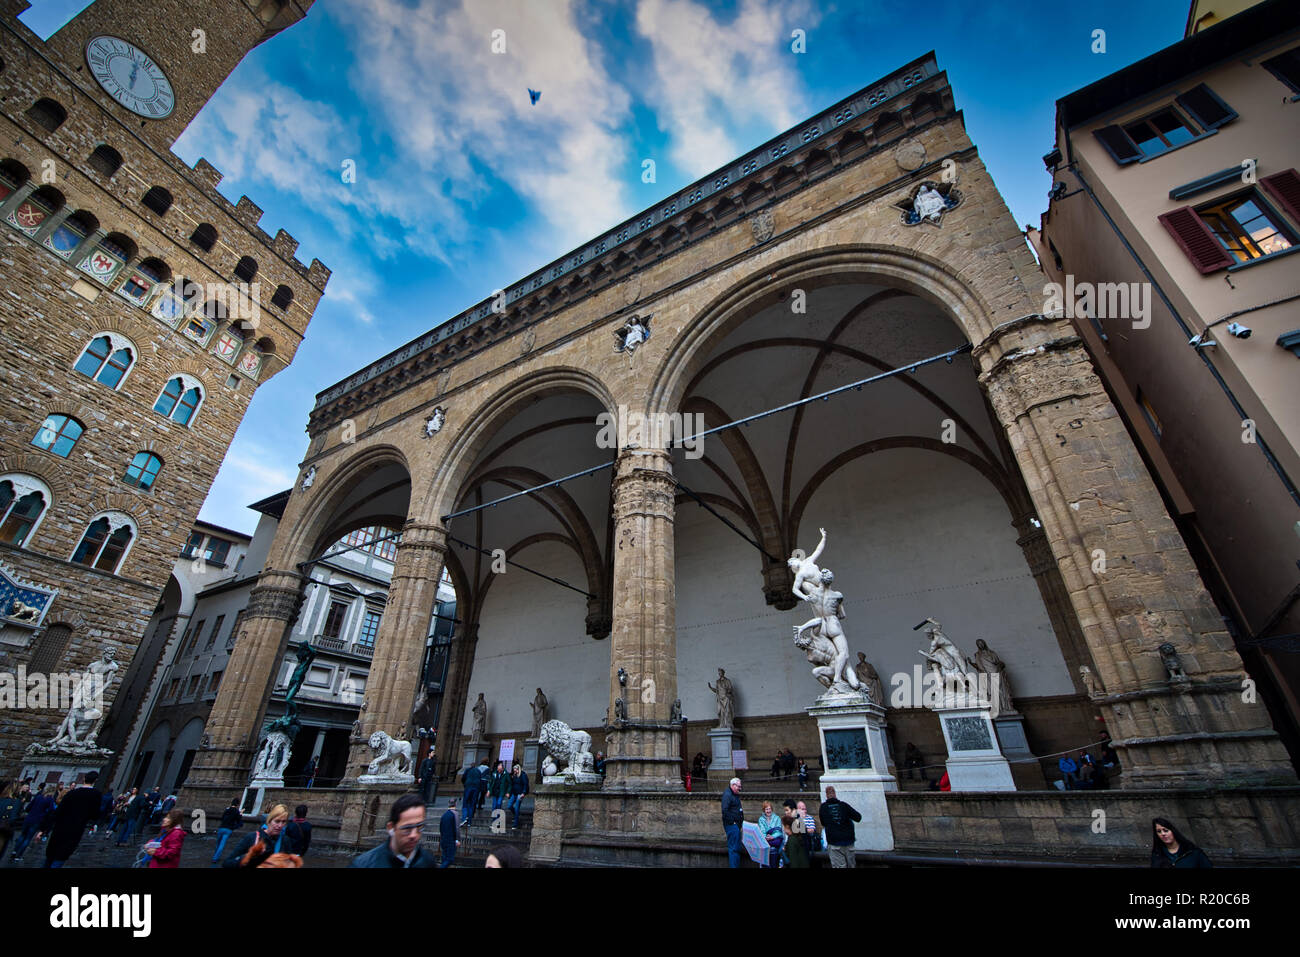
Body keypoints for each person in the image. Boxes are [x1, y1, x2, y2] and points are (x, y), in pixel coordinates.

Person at [350, 793, 437, 868]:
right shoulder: (364, 864)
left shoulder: (427, 861)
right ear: (391, 827)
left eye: (419, 827)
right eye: (407, 828)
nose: (414, 835)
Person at [44, 771, 102, 868]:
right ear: (95, 780)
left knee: (51, 855)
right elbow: (95, 814)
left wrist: (45, 829)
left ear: (84, 778)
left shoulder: (72, 793)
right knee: (62, 855)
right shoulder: (96, 795)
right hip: (75, 828)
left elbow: (58, 811)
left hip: (60, 827)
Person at [223, 804, 296, 868]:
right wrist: (248, 856)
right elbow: (227, 863)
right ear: (269, 821)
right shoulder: (252, 837)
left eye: (283, 822)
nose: (280, 826)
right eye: (277, 821)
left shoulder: (285, 841)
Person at [818, 786, 862, 869]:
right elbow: (858, 817)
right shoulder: (844, 805)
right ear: (835, 794)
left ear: (826, 795)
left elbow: (823, 823)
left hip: (834, 843)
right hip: (848, 842)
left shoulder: (823, 808)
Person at [12, 784, 56, 861]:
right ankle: (18, 855)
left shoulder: (38, 797)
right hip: (37, 820)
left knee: (22, 835)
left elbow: (28, 807)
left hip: (29, 818)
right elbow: (51, 811)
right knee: (28, 838)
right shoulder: (50, 800)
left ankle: (14, 851)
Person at [721, 777, 744, 868]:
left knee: (736, 848)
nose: (740, 788)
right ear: (733, 785)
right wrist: (733, 823)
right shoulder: (727, 795)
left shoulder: (733, 794)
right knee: (734, 849)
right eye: (738, 786)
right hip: (732, 826)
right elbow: (725, 810)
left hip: (736, 826)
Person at [211, 797, 243, 864]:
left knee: (218, 843)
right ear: (238, 804)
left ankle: (215, 856)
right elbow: (239, 821)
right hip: (228, 829)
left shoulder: (227, 809)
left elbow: (222, 818)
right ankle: (215, 858)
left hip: (221, 827)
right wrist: (240, 815)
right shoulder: (236, 811)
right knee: (222, 844)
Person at [757, 800, 783, 868]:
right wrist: (766, 837)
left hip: (774, 847)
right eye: (766, 809)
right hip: (765, 846)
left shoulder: (777, 818)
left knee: (774, 865)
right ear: (764, 810)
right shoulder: (761, 819)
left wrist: (773, 837)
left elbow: (779, 831)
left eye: (769, 809)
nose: (768, 811)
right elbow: (762, 831)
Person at [508, 762, 529, 830]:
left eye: (516, 770)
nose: (515, 771)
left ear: (518, 769)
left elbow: (525, 784)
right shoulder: (514, 775)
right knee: (509, 806)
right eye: (514, 770)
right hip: (514, 793)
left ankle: (515, 824)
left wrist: (524, 792)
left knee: (517, 808)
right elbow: (512, 784)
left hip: (520, 794)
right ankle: (516, 816)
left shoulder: (523, 775)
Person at [439, 799, 460, 867]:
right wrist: (457, 839)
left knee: (444, 858)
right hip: (450, 840)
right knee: (449, 859)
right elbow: (457, 828)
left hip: (443, 839)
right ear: (455, 804)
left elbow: (441, 827)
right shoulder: (455, 814)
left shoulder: (444, 815)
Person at [461, 761, 482, 828]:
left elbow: (463, 778)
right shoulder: (478, 771)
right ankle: (469, 821)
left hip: (468, 787)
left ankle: (464, 819)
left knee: (465, 804)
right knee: (472, 804)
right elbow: (480, 780)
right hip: (475, 788)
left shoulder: (468, 770)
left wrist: (465, 784)